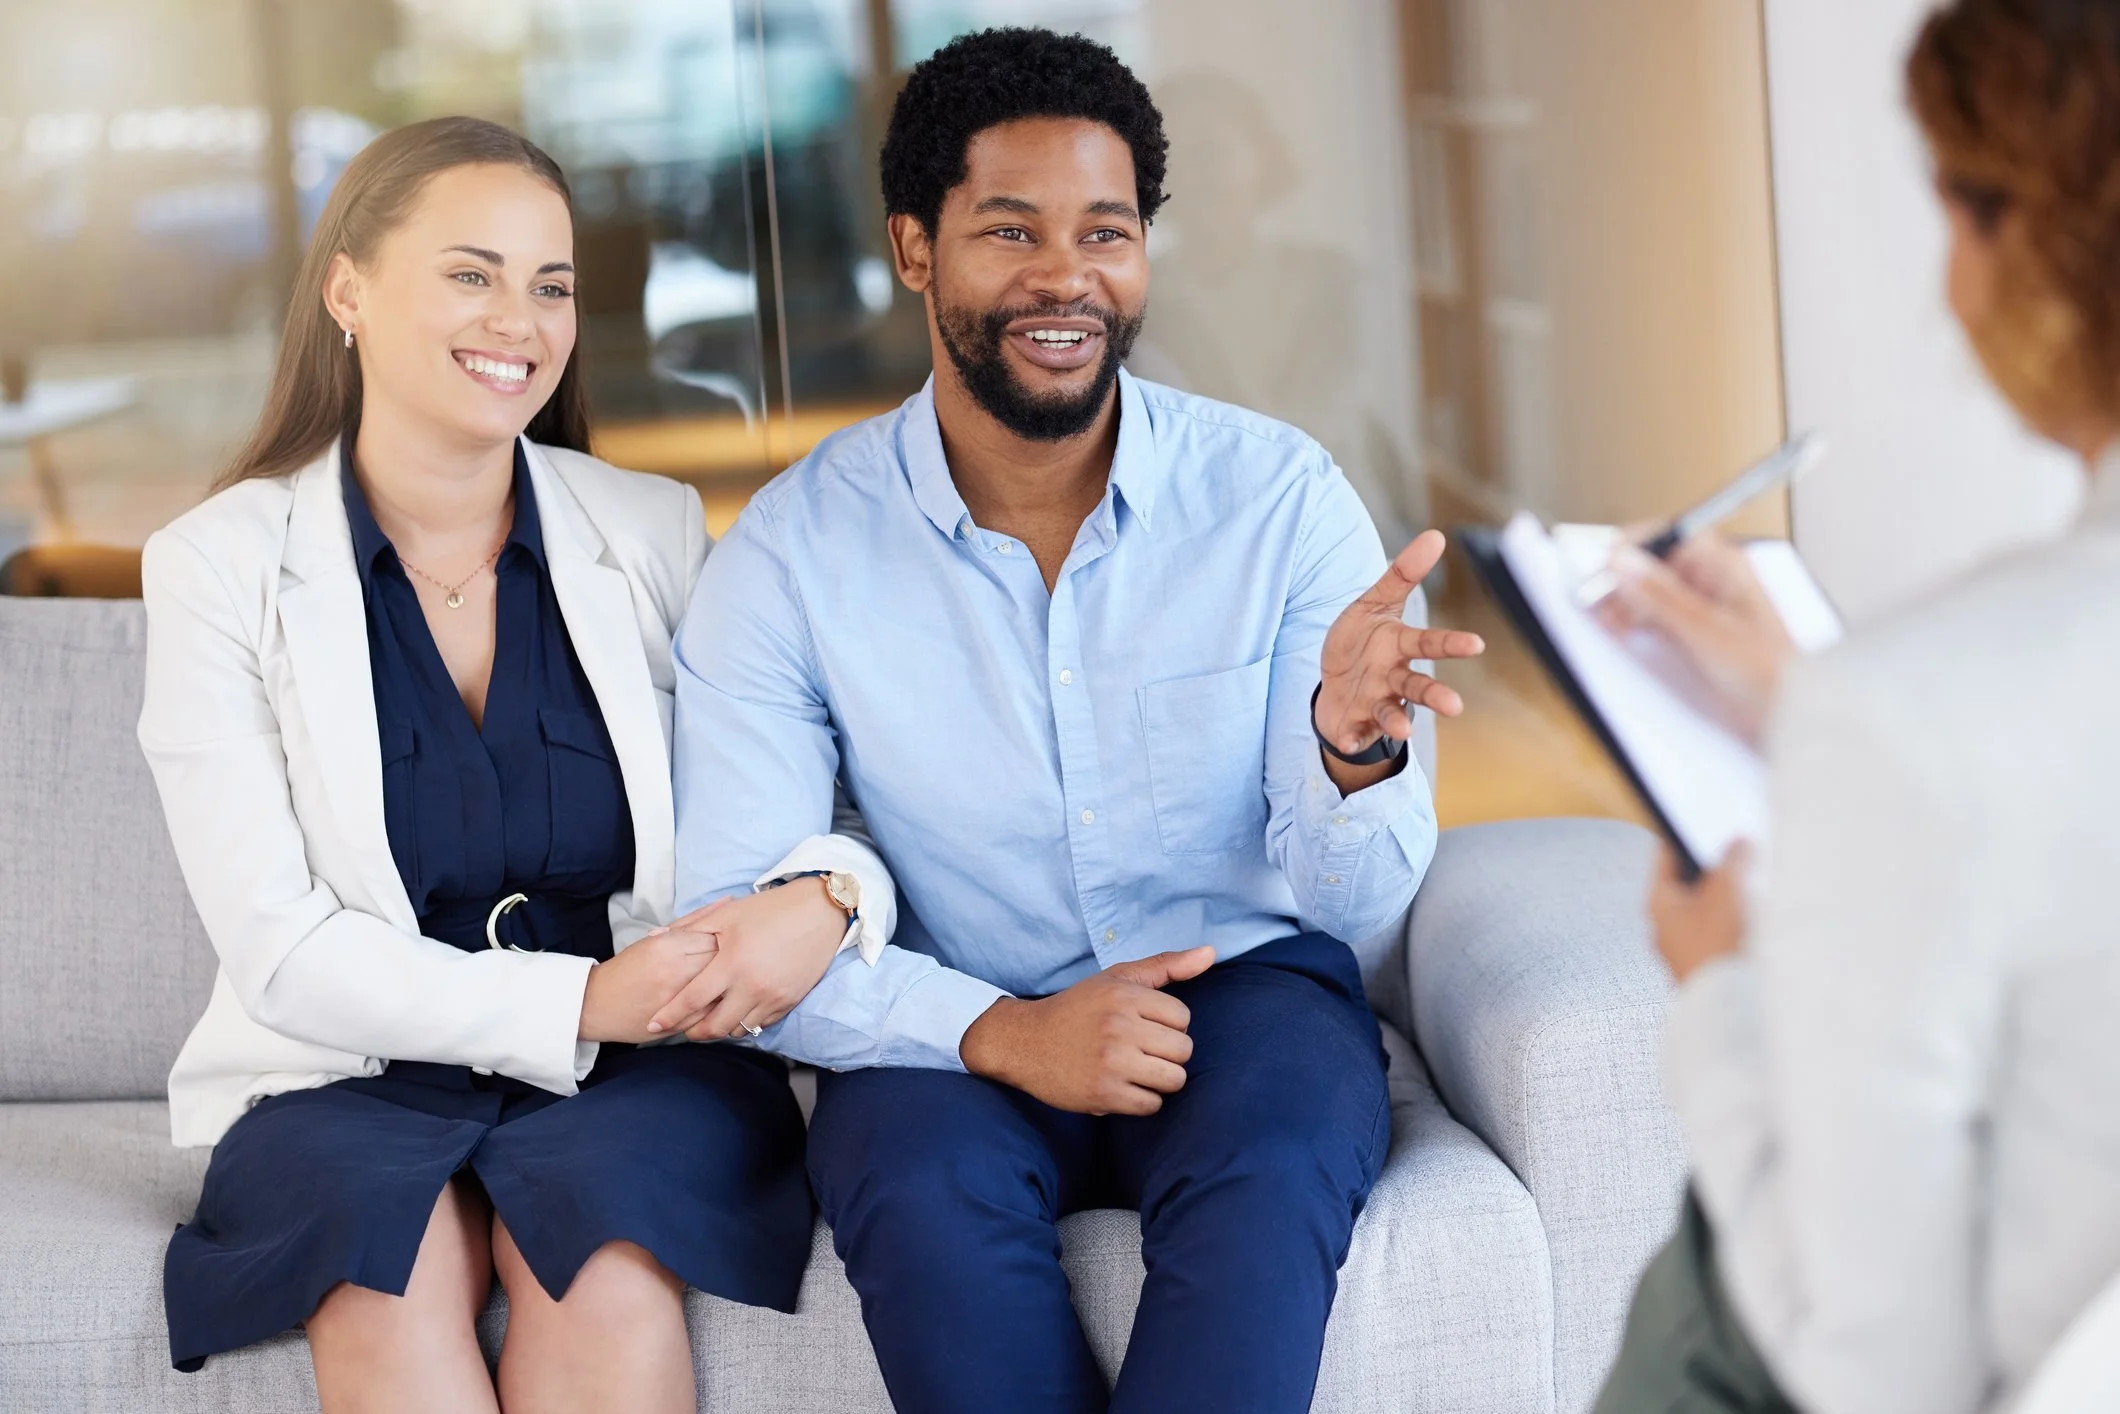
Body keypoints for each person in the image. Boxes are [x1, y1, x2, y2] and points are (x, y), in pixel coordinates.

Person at [666, 27, 1484, 1414]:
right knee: (915, 1188)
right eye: (1012, 231)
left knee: (1275, 1167)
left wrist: (1355, 752)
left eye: (1107, 232)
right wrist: (1001, 1031)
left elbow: (1359, 903)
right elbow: (735, 922)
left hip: (1245, 997)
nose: (1068, 278)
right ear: (916, 249)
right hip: (950, 1014)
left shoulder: (1278, 501)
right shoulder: (793, 552)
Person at [139, 117, 898, 1412]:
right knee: (387, 1275)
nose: (521, 319)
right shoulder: (217, 564)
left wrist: (826, 895)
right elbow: (281, 949)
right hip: (347, 1070)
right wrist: (586, 1002)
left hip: (649, 1073)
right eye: (471, 272)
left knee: (602, 1267)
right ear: (348, 288)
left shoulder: (649, 529)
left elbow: (819, 799)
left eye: (552, 284)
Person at [1590, 3, 2120, 1411]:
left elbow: (1886, 1380)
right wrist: (1818, 713)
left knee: (1699, 1290)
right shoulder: (1909, 716)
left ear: (2027, 243)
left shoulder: (1921, 712)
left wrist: (1715, 987)